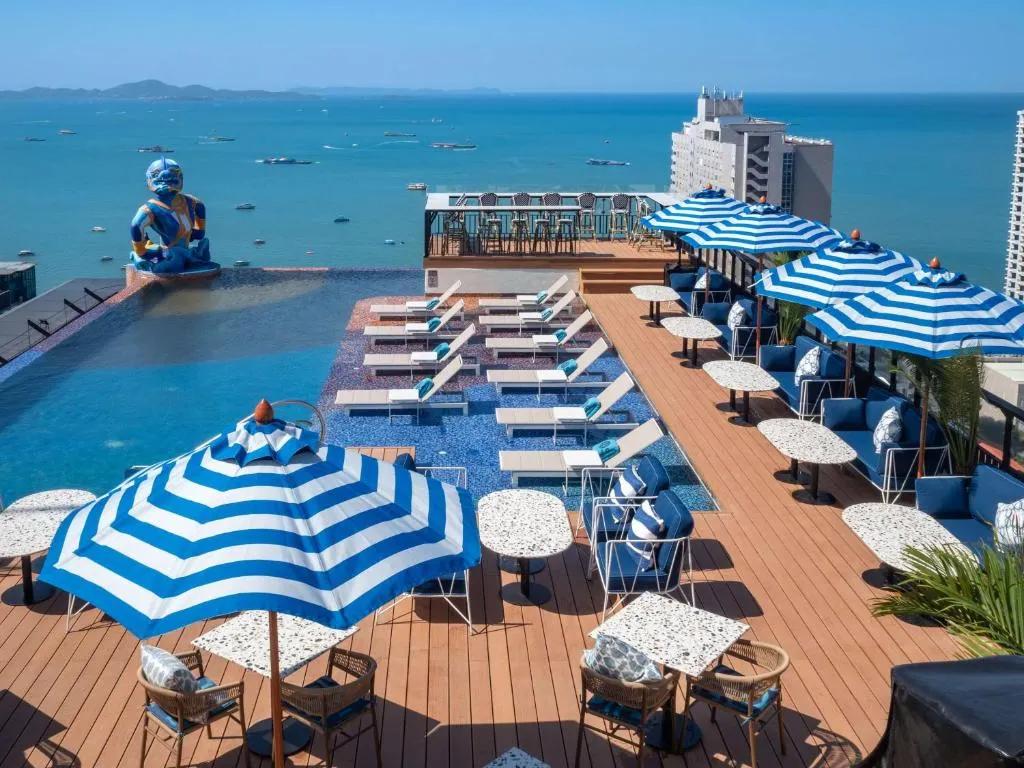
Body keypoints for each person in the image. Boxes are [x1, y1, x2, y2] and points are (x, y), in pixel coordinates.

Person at [129, 158, 212, 273]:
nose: (165, 176)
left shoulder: (189, 201)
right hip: (169, 253)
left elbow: (136, 225)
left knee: (187, 256)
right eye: (156, 174)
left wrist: (198, 232)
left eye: (173, 173)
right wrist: (142, 251)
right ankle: (141, 260)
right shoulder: (151, 208)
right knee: (175, 261)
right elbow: (135, 225)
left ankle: (144, 257)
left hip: (178, 251)